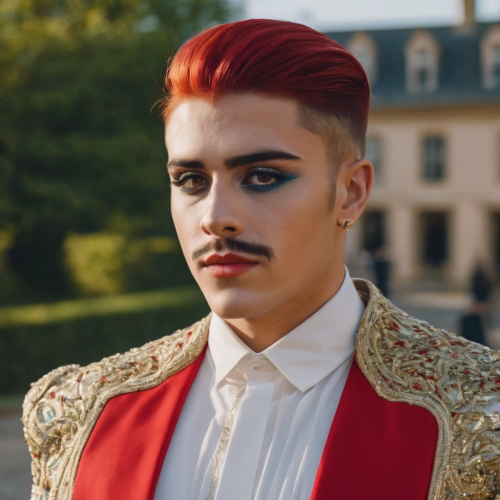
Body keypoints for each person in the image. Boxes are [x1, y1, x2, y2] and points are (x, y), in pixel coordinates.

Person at [23, 19, 500, 500]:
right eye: (191, 180)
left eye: (264, 176)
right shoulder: (82, 411)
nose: (216, 218)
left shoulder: (483, 413)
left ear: (350, 193)